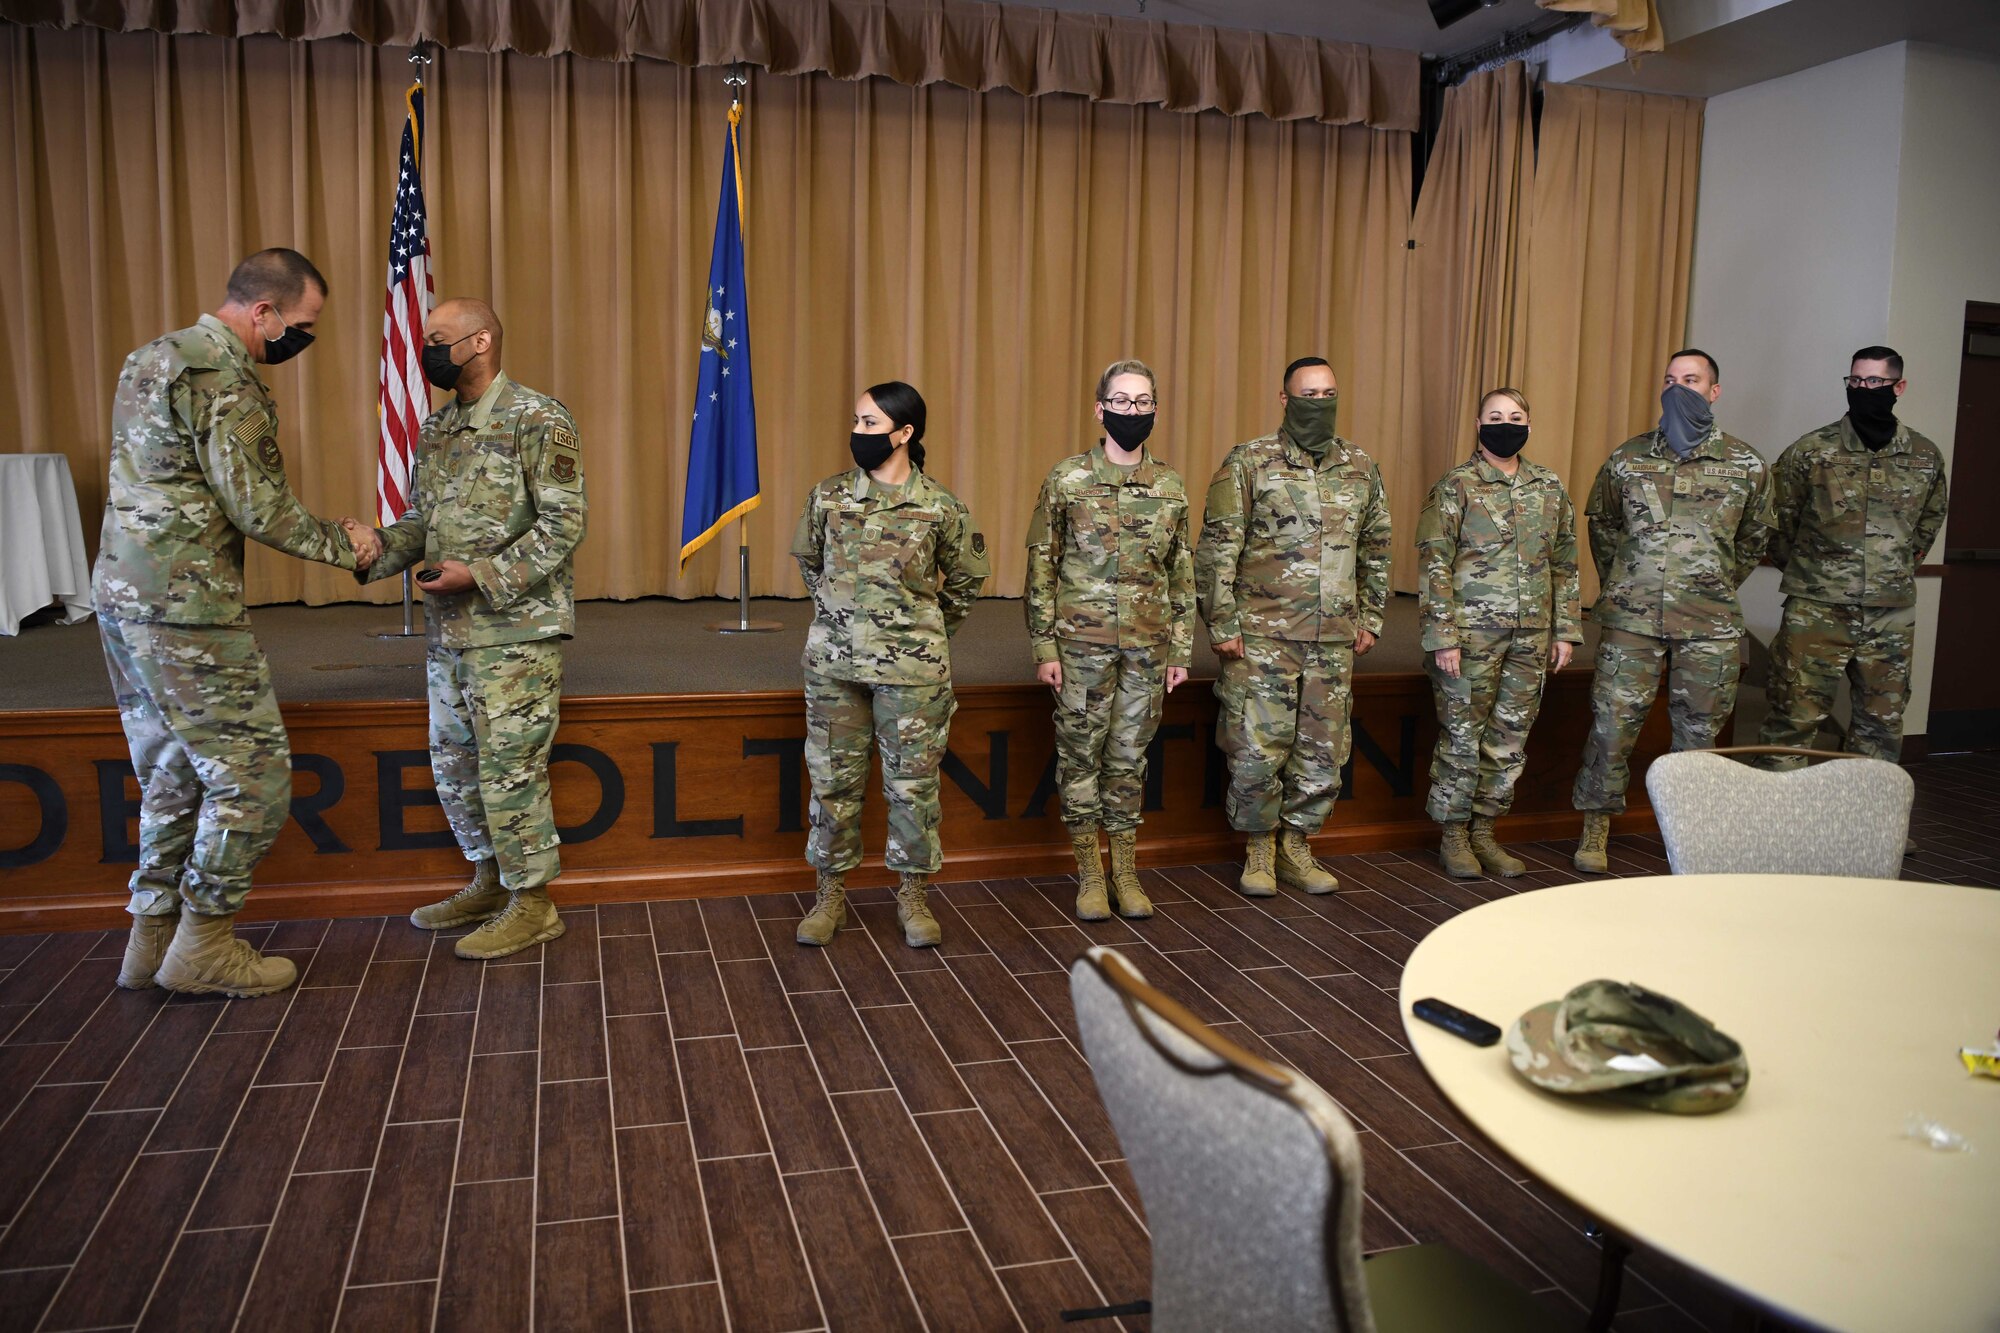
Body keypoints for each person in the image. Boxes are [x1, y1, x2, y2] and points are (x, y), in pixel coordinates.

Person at [95, 247, 380, 997]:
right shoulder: (225, 377)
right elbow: (258, 507)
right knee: (253, 777)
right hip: (187, 608)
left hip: (123, 596)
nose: (301, 338)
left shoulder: (150, 357)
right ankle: (205, 945)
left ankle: (150, 936)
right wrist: (346, 544)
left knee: (173, 770)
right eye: (302, 323)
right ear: (264, 312)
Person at [363, 298, 587, 959]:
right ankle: (490, 880)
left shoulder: (537, 418)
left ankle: (534, 903)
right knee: (456, 765)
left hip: (515, 630)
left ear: (480, 340)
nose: (426, 349)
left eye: (438, 338)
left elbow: (562, 525)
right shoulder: (436, 431)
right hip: (449, 634)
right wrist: (374, 546)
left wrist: (481, 574)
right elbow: (419, 524)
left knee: (510, 768)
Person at [791, 382, 990, 948]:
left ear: (904, 433)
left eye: (871, 424)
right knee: (832, 784)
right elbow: (809, 562)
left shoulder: (941, 506)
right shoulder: (827, 497)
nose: (859, 432)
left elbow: (970, 578)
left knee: (913, 788)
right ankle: (829, 893)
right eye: (856, 420)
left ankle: (912, 895)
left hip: (913, 672)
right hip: (834, 667)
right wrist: (841, 618)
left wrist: (925, 633)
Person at [1571, 349, 1775, 872]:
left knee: (1699, 735)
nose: (1677, 388)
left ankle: (1692, 832)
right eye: (1669, 379)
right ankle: (1596, 826)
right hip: (1632, 619)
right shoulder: (1627, 458)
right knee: (1613, 726)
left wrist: (1710, 583)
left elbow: (1752, 541)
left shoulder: (1747, 464)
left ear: (1714, 391)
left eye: (1690, 380)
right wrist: (1631, 582)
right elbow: (1605, 528)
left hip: (1709, 622)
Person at [1195, 356, 1391, 897]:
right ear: (1285, 399)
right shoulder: (1249, 462)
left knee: (1323, 750)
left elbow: (1375, 546)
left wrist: (1370, 615)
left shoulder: (1360, 466)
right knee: (1257, 747)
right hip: (1262, 635)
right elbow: (1216, 550)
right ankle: (1259, 850)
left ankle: (1297, 846)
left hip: (1333, 637)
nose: (1318, 403)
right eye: (1308, 394)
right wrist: (1222, 623)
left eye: (1328, 394)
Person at [1025, 359, 1195, 922]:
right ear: (1100, 410)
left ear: (1154, 409)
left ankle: (1125, 869)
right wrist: (1045, 647)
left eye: (1143, 402)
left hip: (1147, 650)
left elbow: (1181, 573)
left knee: (1128, 759)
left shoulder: (1169, 485)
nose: (1132, 412)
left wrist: (1180, 652)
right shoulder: (1067, 479)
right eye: (1121, 402)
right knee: (1080, 757)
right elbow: (1042, 567)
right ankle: (1090, 874)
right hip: (1080, 647)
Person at [1758, 346, 1949, 788]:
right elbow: (1777, 522)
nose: (1864, 390)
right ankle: (1775, 819)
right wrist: (1815, 573)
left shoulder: (1924, 455)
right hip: (1817, 608)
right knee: (1794, 714)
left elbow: (1928, 523)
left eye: (1875, 383)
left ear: (1898, 387)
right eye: (1856, 382)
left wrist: (1893, 569)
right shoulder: (1811, 451)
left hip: (1890, 612)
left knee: (1881, 721)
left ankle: (1870, 822)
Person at [1417, 388, 1581, 879]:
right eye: (1495, 416)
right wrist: (1442, 635)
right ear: (1477, 423)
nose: (1504, 423)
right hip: (1469, 637)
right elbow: (1434, 563)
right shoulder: (1457, 486)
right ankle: (1453, 835)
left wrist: (1566, 631)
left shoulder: (1548, 486)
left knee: (1510, 737)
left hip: (1531, 635)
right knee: (1463, 736)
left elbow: (1565, 563)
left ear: (1529, 424)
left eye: (1515, 416)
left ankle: (1485, 831)